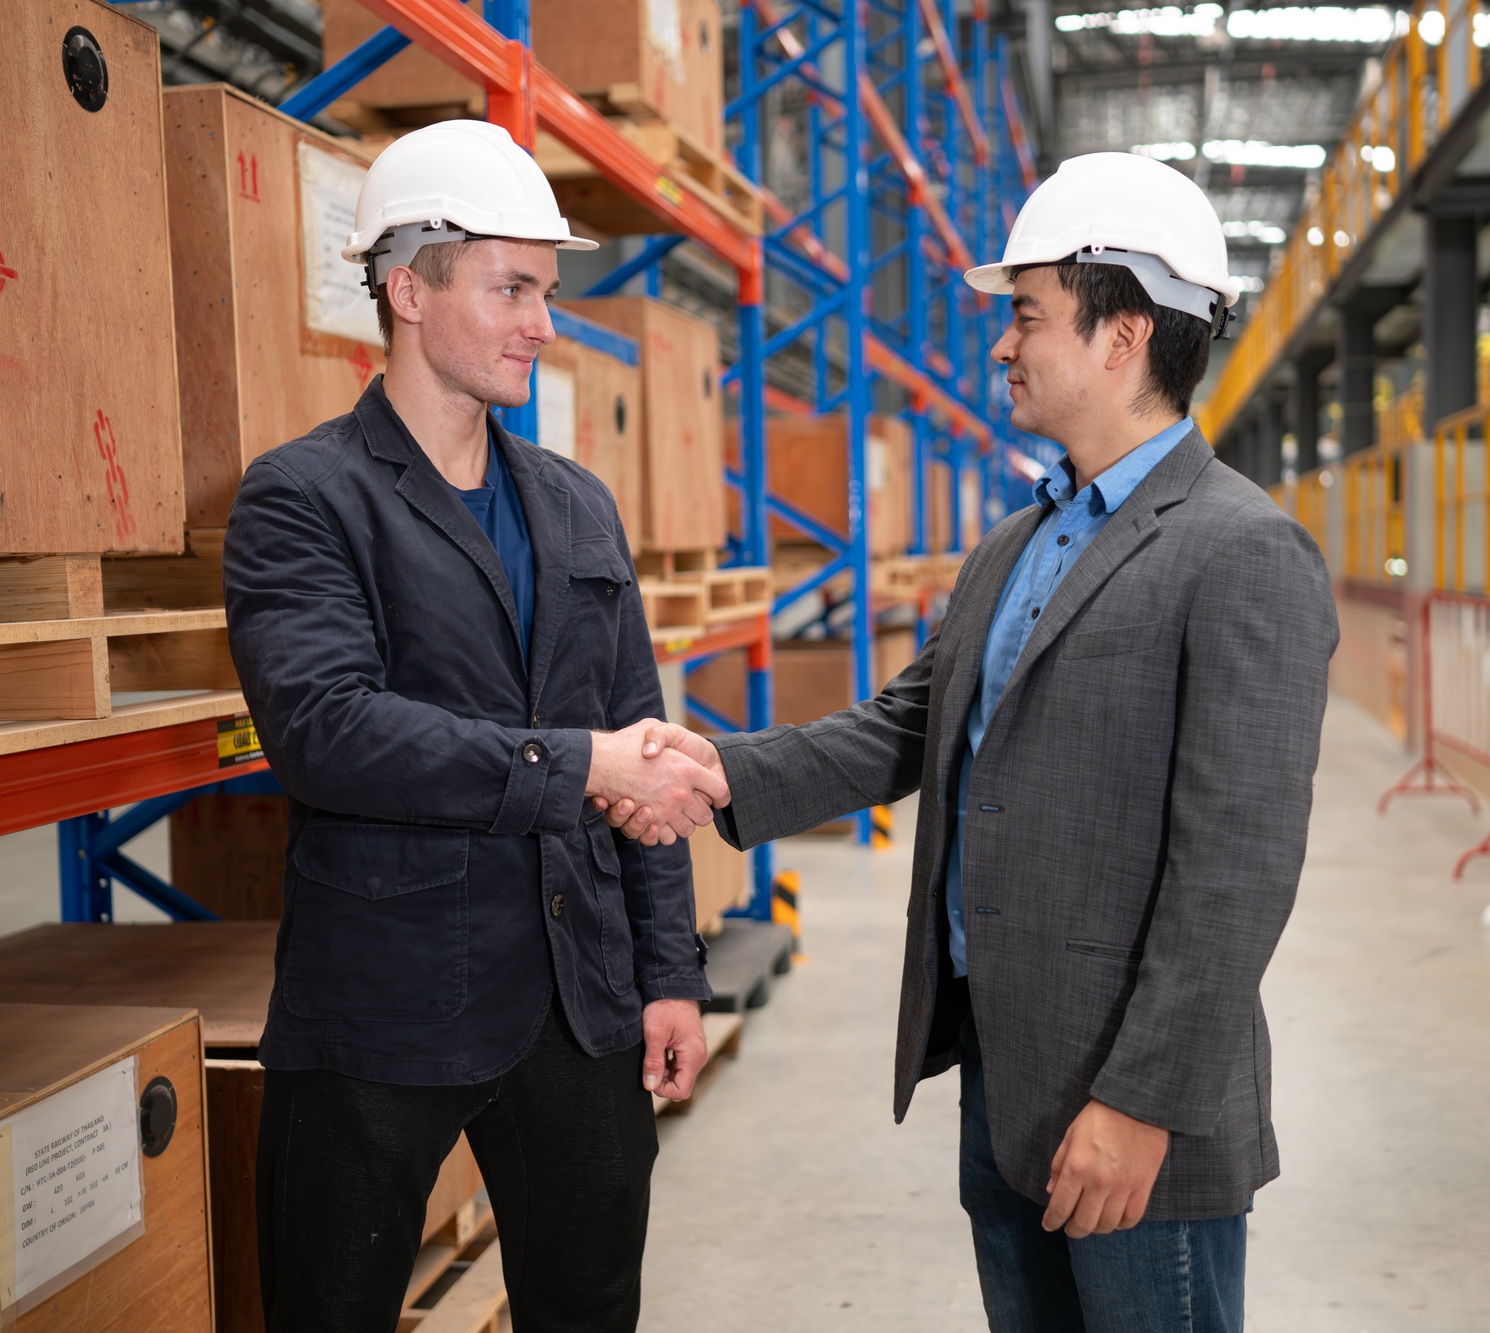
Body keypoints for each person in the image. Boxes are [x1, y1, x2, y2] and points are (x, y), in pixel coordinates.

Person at [606, 153, 1339, 1331]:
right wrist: (721, 770)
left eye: (1026, 316)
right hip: (1008, 1070)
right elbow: (913, 721)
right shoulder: (1019, 542)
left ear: (1122, 335)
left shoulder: (1238, 551)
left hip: (1132, 1104)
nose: (1002, 346)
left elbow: (1236, 873)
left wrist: (1137, 1102)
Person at [222, 119, 726, 1333]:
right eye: (511, 289)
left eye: (544, 294)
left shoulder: (573, 504)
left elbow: (637, 740)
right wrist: (576, 766)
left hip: (580, 998)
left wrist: (668, 975)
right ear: (406, 289)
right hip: (386, 1000)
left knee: (588, 1305)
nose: (540, 325)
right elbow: (329, 730)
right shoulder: (304, 497)